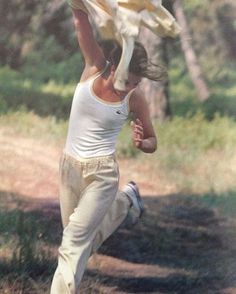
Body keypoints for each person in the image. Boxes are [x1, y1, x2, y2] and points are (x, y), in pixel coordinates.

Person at [50, 7, 161, 294]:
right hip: (69, 168)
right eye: (127, 80)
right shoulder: (93, 67)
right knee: (80, 240)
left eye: (136, 83)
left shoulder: (135, 101)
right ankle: (126, 202)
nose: (130, 88)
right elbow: (80, 20)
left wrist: (141, 143)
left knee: (73, 242)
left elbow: (152, 141)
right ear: (114, 67)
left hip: (102, 174)